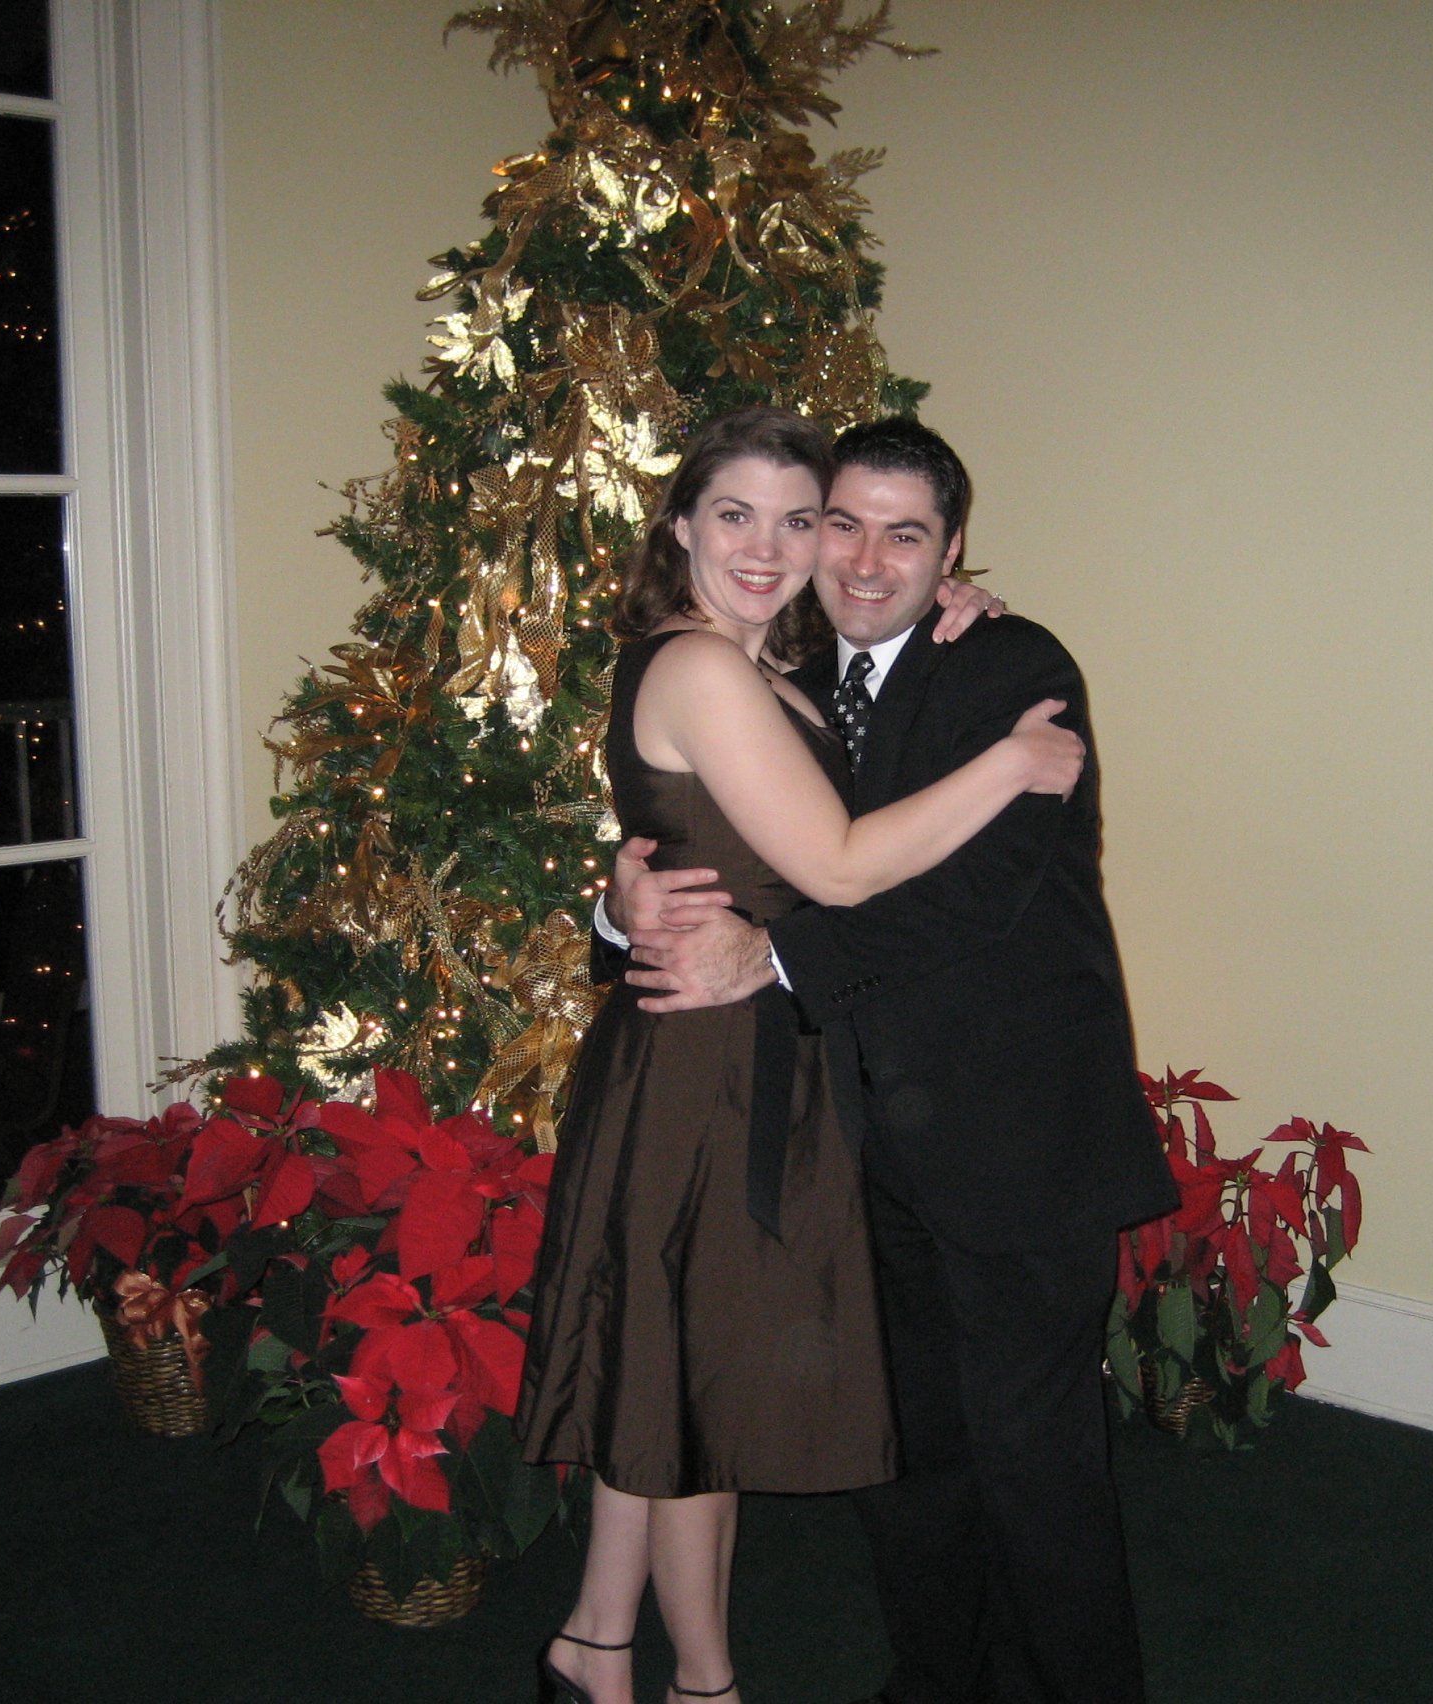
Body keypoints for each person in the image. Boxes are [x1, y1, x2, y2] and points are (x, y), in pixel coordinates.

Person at [608, 417, 1179, 1704]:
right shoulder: (785, 664)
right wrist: (621, 899)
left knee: (1035, 1457)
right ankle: (936, 1681)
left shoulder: (1015, 667)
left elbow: (970, 898)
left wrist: (773, 961)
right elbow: (721, 827)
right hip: (859, 1136)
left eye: (905, 536)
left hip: (1016, 1132)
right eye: (842, 525)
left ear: (953, 549)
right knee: (907, 1452)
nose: (865, 562)